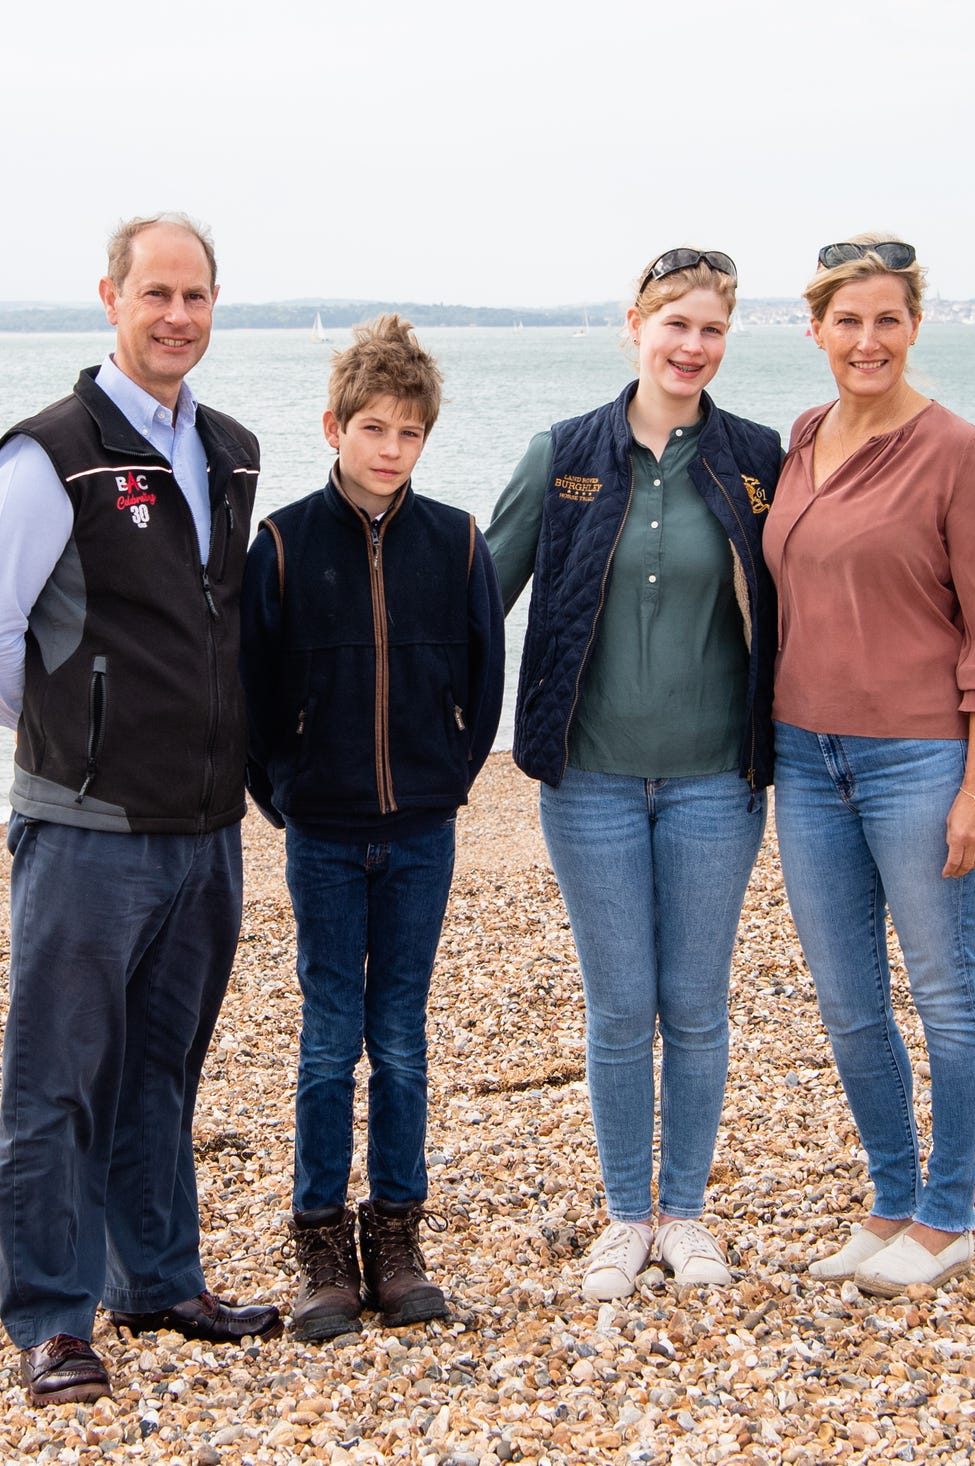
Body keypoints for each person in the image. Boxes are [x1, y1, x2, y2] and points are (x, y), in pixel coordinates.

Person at [0, 213, 281, 1406]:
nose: (177, 315)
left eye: (197, 295)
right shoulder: (48, 453)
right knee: (55, 1077)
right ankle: (52, 1317)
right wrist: (79, 735)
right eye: (156, 292)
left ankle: (160, 1277)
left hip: (205, 829)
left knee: (164, 1066)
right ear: (111, 296)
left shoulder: (229, 446)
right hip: (86, 827)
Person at [486, 250, 782, 1300]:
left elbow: (816, 592)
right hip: (591, 781)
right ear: (633, 325)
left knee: (695, 1005)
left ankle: (684, 1210)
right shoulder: (562, 452)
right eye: (673, 325)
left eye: (709, 329)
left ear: (723, 337)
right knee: (618, 1008)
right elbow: (479, 593)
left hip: (715, 780)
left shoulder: (756, 458)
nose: (690, 346)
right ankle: (624, 1214)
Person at [240, 315, 505, 1339]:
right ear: (334, 426)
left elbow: (483, 681)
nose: (390, 447)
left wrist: (445, 774)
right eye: (372, 428)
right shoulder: (283, 543)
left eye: (408, 432)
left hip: (420, 831)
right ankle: (319, 1235)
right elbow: (255, 692)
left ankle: (394, 1232)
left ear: (425, 440)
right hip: (322, 827)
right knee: (325, 1037)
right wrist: (290, 790)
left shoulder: (458, 539)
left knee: (399, 1034)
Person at [763, 234, 975, 1297]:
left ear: (912, 325)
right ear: (814, 329)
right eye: (845, 320)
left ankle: (948, 1212)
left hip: (919, 756)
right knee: (848, 1000)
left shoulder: (954, 449)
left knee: (945, 992)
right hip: (803, 757)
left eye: (885, 318)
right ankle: (889, 1197)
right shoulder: (802, 436)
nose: (866, 339)